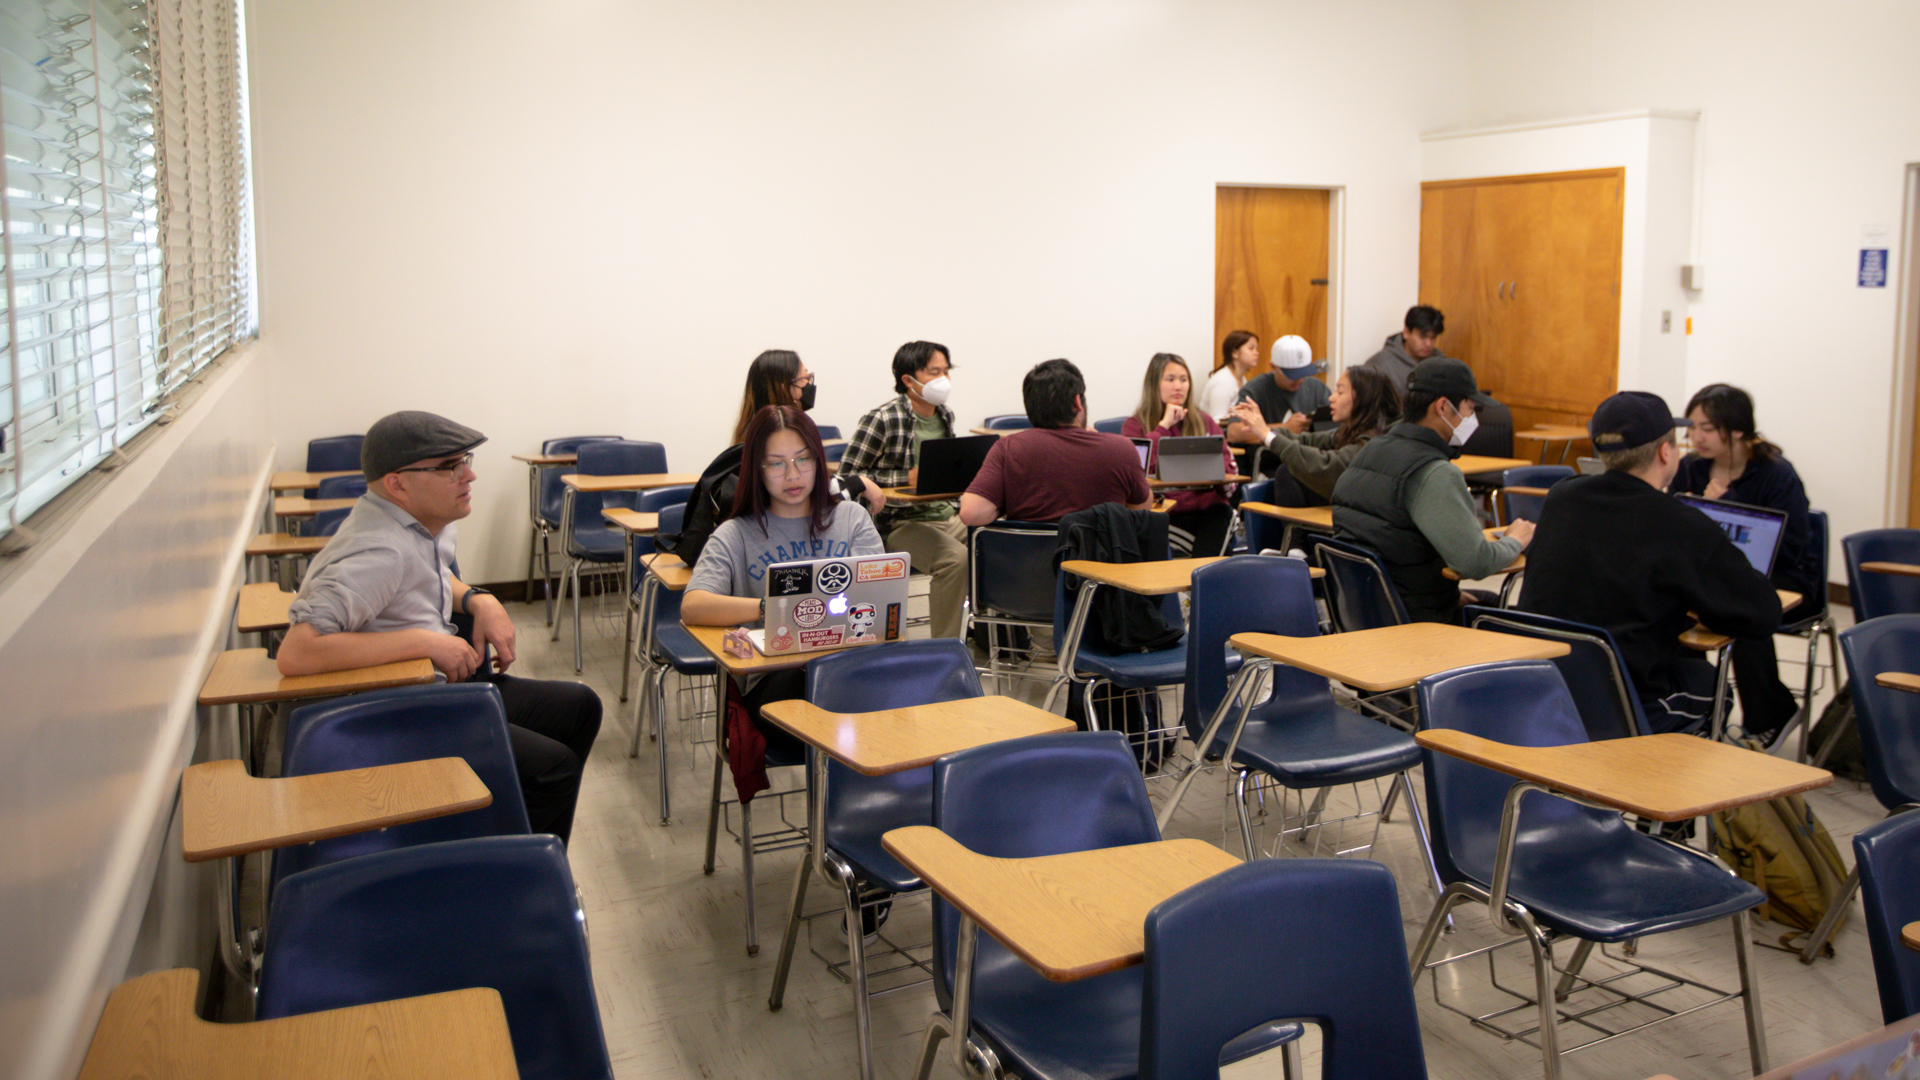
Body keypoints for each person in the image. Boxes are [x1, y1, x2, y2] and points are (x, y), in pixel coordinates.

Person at [278, 411, 603, 845]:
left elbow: (430, 578)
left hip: (436, 691)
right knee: (551, 768)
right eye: (450, 467)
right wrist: (424, 642)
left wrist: (476, 598)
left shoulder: (418, 523)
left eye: (464, 460)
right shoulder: (377, 551)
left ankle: (533, 855)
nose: (468, 475)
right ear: (398, 483)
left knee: (580, 707)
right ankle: (510, 872)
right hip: (396, 716)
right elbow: (298, 653)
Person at [1520, 391, 1784, 735]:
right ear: (1665, 452)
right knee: (1710, 683)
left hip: (1540, 692)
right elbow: (1762, 613)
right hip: (1625, 706)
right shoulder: (1681, 524)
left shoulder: (1561, 497)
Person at [682, 405, 884, 758]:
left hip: (853, 669)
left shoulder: (851, 518)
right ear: (756, 470)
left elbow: (881, 597)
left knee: (905, 679)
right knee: (832, 690)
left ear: (819, 462)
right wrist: (769, 608)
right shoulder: (736, 533)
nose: (793, 475)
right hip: (778, 684)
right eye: (776, 463)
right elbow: (693, 605)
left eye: (803, 460)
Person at [1667, 383, 1816, 743]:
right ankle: (1697, 703)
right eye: (1692, 428)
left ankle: (1771, 714)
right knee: (1674, 600)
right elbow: (1671, 527)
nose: (1695, 437)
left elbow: (1792, 544)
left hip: (1785, 576)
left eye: (1706, 428)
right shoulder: (1691, 469)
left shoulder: (1776, 474)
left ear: (1737, 430)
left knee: (1742, 606)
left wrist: (1724, 508)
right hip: (1719, 572)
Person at [1331, 357, 1531, 623]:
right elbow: (1475, 562)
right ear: (1443, 407)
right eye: (1470, 409)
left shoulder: (1371, 449)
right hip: (1417, 626)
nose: (1472, 419)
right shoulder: (1434, 472)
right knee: (1518, 617)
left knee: (1484, 601)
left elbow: (1382, 548)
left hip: (1367, 613)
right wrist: (1514, 540)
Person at [836, 340, 969, 640]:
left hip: (947, 513)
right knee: (955, 559)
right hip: (900, 522)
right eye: (935, 372)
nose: (943, 380)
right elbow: (849, 476)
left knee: (993, 540)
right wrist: (905, 477)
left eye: (946, 372)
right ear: (908, 380)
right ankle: (946, 649)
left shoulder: (944, 415)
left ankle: (995, 635)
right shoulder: (882, 419)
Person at [960, 358, 1153, 526]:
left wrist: (1004, 507)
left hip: (1024, 565)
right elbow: (1141, 510)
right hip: (1100, 566)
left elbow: (971, 513)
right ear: (1078, 402)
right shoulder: (1120, 448)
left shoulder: (1007, 448)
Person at [725, 349, 882, 513]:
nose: (809, 385)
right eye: (805, 379)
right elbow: (816, 496)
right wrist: (858, 483)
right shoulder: (770, 438)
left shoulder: (750, 433)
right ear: (785, 388)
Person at [1121, 352, 1237, 557]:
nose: (1178, 386)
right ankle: (1200, 581)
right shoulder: (1135, 425)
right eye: (1170, 379)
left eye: (1184, 380)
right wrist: (1164, 427)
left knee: (1224, 513)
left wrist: (1218, 477)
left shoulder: (1204, 421)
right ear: (1154, 383)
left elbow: (1230, 473)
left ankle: (1196, 583)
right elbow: (1137, 474)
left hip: (1208, 513)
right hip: (1165, 514)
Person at [1228, 365, 1400, 501]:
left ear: (1363, 398)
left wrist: (1267, 435)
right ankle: (1296, 543)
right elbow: (1308, 440)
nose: (1331, 398)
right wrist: (1265, 430)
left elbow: (1326, 465)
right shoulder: (1352, 430)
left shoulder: (1375, 442)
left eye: (1340, 392)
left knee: (1287, 474)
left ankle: (1296, 544)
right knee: (1286, 473)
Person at [1223, 335, 1332, 478]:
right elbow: (1233, 432)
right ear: (1273, 367)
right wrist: (1285, 428)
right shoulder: (1255, 389)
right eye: (1292, 375)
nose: (1299, 380)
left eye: (1303, 374)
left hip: (1310, 463)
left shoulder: (1317, 388)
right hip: (1270, 466)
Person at [1361, 305, 1449, 395]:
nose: (1428, 344)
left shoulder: (1440, 362)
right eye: (1423, 336)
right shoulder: (1380, 364)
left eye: (1433, 337)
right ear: (1406, 333)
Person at [1199, 330, 1259, 419]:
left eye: (1257, 349)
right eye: (1251, 348)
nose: (1256, 353)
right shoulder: (1222, 382)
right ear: (1235, 353)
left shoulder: (1242, 379)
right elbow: (1217, 420)